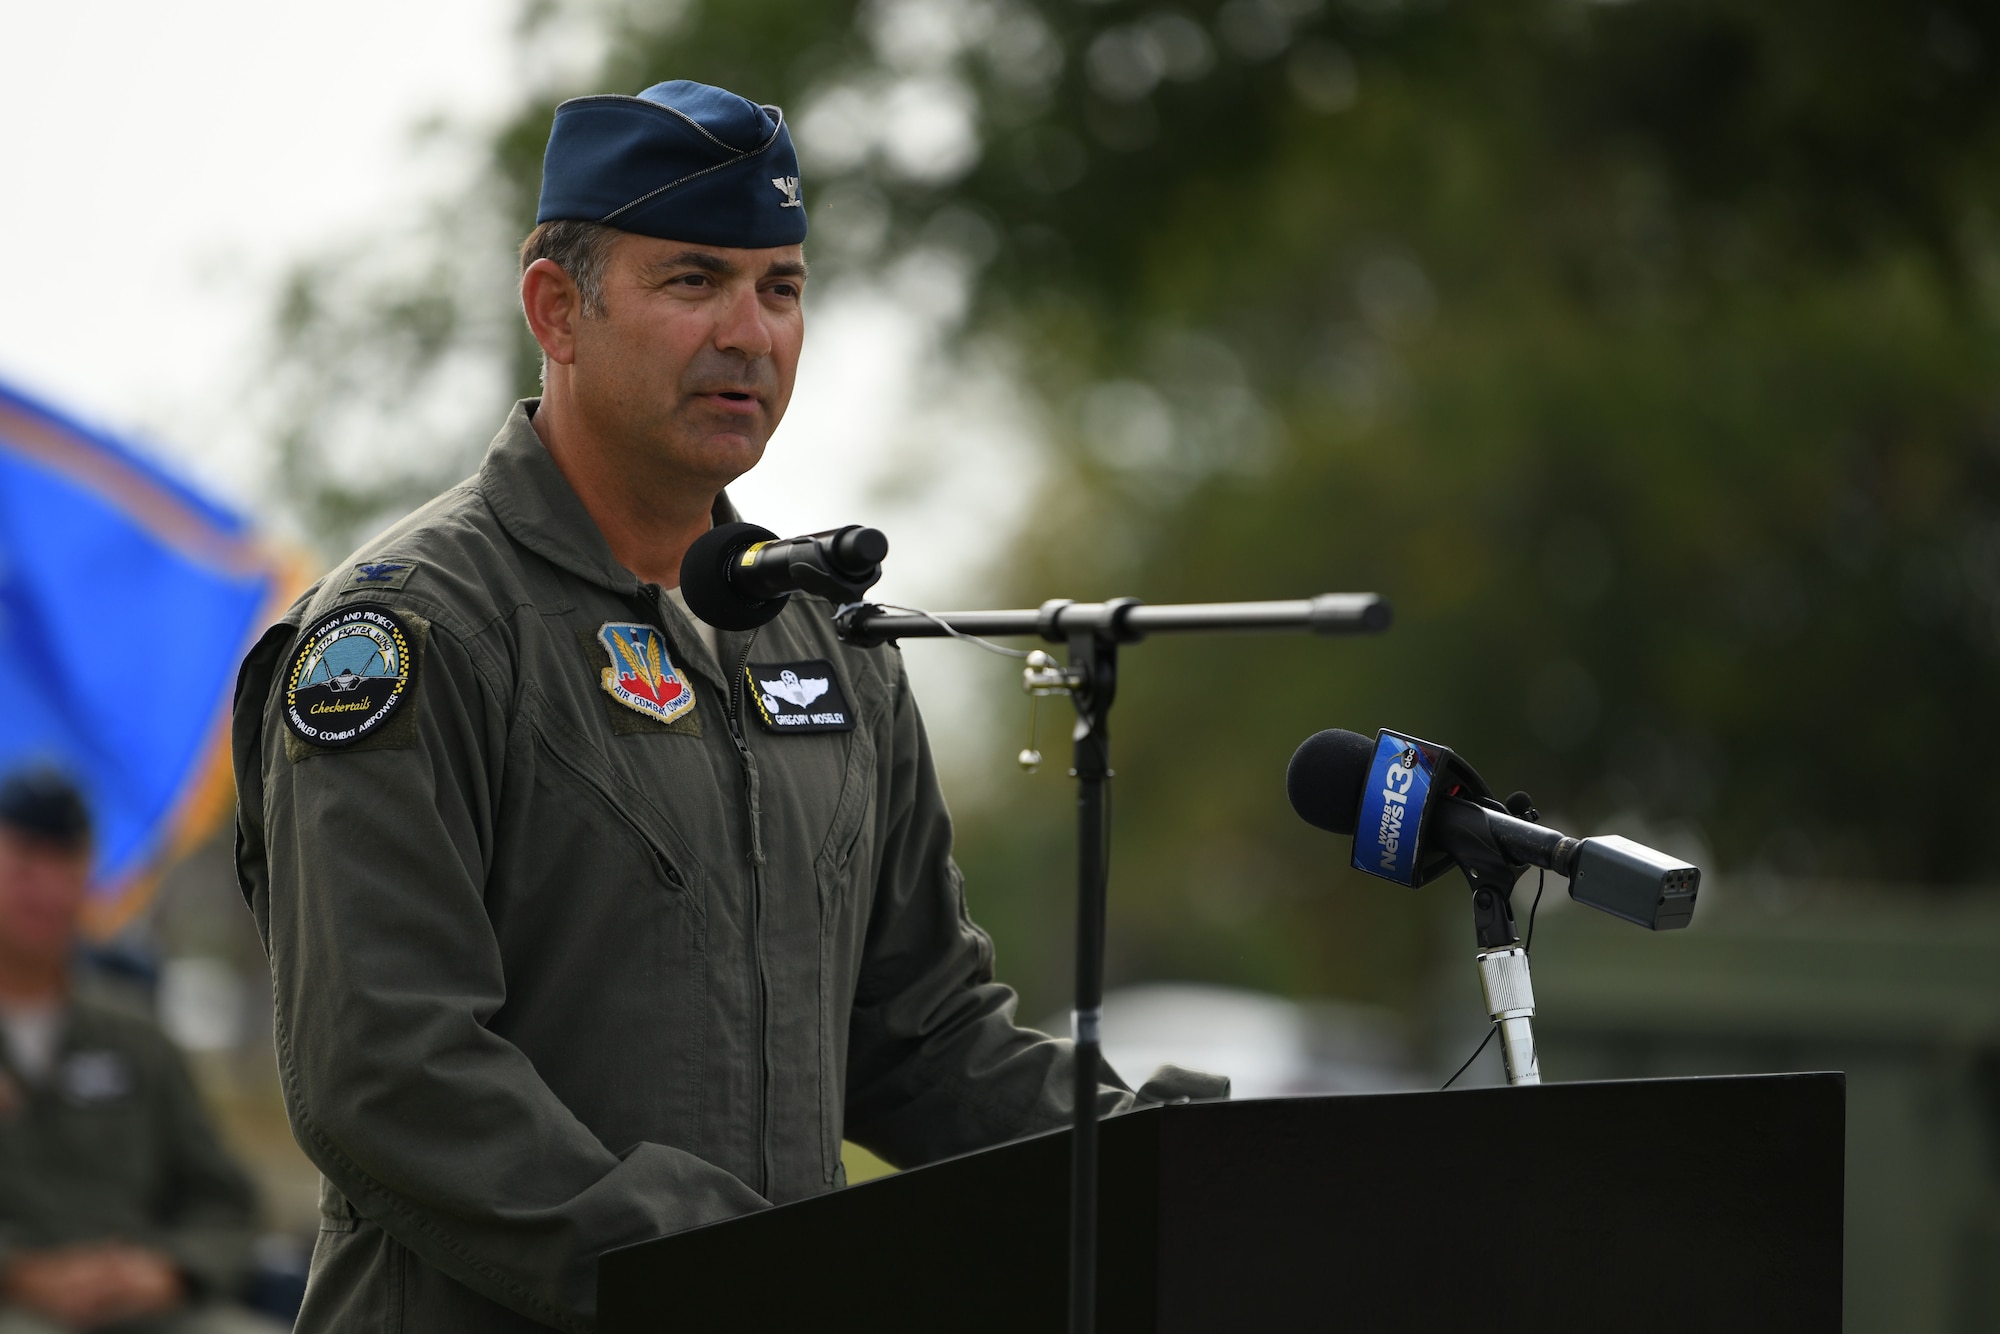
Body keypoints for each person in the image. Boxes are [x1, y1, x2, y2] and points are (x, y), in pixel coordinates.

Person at [231, 78, 1223, 1334]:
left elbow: (917, 1036)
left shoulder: (833, 636)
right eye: (692, 281)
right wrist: (715, 1270)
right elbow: (385, 1072)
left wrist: (1151, 1165)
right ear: (557, 310)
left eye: (782, 286)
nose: (749, 332)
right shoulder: (412, 632)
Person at [0, 770, 276, 1334]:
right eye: (26, 865)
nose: (49, 890)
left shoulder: (136, 1037)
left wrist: (171, 1269)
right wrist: (21, 1273)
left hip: (145, 1304)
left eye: (67, 864)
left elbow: (224, 1200)